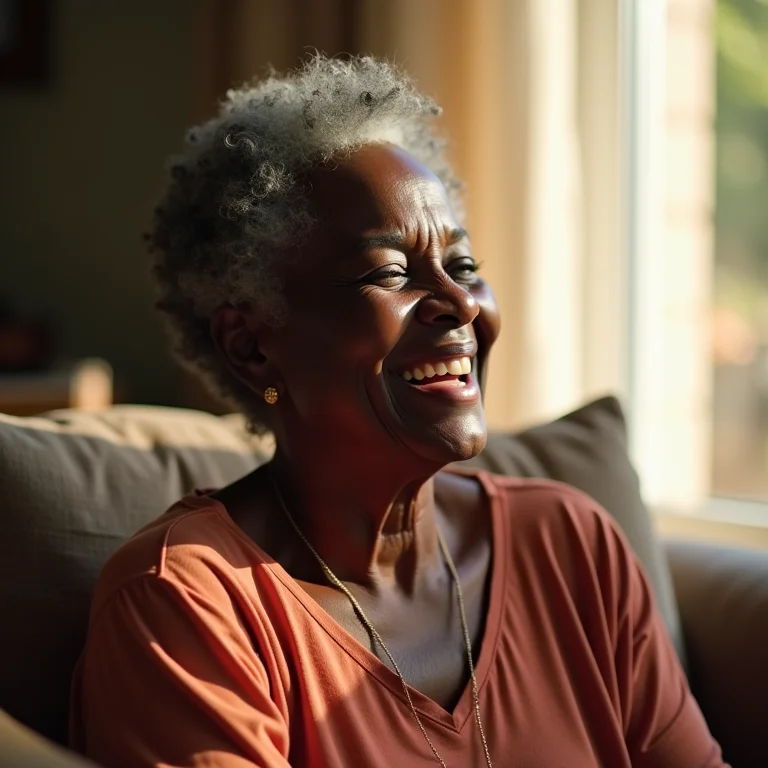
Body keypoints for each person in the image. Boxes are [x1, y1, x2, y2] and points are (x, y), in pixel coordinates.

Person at [69, 55, 726, 768]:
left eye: (464, 266)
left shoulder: (572, 545)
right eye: (390, 272)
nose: (462, 304)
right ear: (252, 345)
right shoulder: (189, 603)